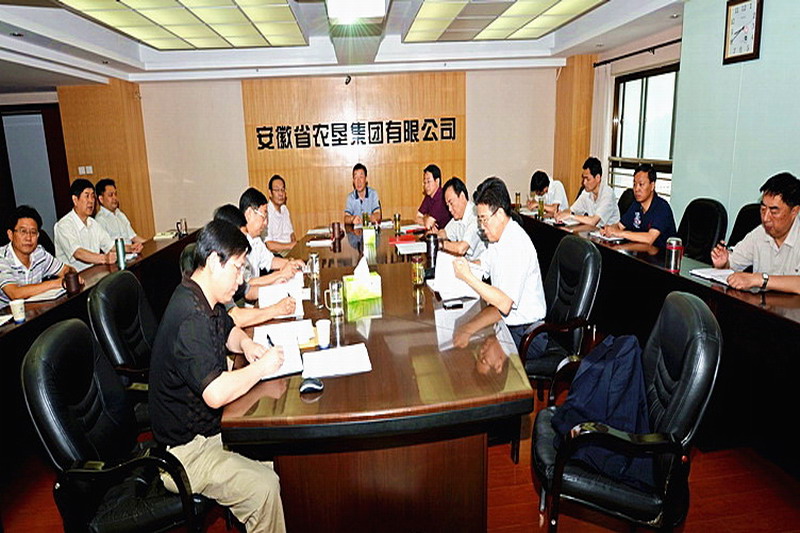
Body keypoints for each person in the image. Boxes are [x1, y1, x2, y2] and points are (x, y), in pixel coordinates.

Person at [149, 220, 286, 532]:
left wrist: (247, 345)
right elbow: (216, 393)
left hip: (207, 433)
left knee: (281, 458)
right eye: (237, 269)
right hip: (185, 454)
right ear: (213, 261)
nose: (240, 280)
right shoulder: (190, 317)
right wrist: (260, 368)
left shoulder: (201, 295)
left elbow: (228, 330)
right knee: (264, 486)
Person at [452, 177, 548, 361]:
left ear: (500, 213)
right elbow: (483, 265)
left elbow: (504, 303)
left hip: (528, 334)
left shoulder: (516, 244)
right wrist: (462, 265)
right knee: (466, 330)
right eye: (479, 220)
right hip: (507, 321)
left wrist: (467, 277)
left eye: (484, 220)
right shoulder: (499, 238)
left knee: (473, 348)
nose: (482, 227)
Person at [711, 172, 800, 294]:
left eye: (774, 212)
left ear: (794, 211)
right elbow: (733, 263)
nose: (766, 218)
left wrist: (760, 279)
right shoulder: (760, 233)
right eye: (763, 209)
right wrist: (724, 263)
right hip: (761, 304)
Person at [212, 204, 296, 327]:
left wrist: (274, 285)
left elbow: (248, 290)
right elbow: (236, 317)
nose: (243, 242)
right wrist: (276, 309)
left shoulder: (230, 264)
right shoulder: (219, 271)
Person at [1, 205, 77, 304]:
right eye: (23, 231)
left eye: (33, 232)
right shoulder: (2, 258)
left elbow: (67, 269)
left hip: (35, 310)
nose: (28, 238)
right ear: (10, 234)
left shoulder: (39, 253)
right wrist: (57, 283)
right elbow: (15, 293)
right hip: (7, 312)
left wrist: (71, 276)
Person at [600, 163, 676, 248]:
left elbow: (649, 238)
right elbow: (619, 226)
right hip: (638, 252)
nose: (636, 189)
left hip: (660, 254)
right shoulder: (636, 205)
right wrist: (609, 229)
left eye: (641, 184)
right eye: (634, 184)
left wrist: (621, 233)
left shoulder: (662, 208)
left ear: (652, 186)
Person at [238, 188, 304, 284]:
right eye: (263, 217)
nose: (266, 223)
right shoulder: (238, 244)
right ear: (249, 214)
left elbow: (270, 261)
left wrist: (292, 263)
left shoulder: (256, 240)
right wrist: (280, 274)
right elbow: (247, 285)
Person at [54, 178, 117, 270]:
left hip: (95, 272)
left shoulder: (93, 223)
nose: (91, 201)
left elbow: (110, 245)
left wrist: (131, 248)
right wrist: (104, 258)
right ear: (75, 200)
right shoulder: (63, 225)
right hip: (75, 276)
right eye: (87, 196)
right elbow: (78, 253)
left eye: (93, 196)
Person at [556, 157, 620, 227]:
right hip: (592, 230)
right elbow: (572, 210)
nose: (584, 183)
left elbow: (593, 221)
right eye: (584, 178)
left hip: (608, 232)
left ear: (598, 178)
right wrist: (561, 214)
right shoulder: (586, 192)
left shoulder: (607, 194)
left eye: (588, 179)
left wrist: (571, 216)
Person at [437, 177, 486, 260]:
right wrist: (440, 237)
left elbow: (461, 249)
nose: (449, 209)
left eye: (451, 203)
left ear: (462, 196)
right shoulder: (458, 217)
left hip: (480, 265)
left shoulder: (475, 215)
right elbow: (443, 232)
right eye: (447, 205)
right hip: (466, 263)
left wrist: (441, 244)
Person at [94, 178, 145, 252]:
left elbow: (133, 237)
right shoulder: (100, 220)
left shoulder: (120, 214)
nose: (115, 198)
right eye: (110, 195)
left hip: (132, 253)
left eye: (115, 194)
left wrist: (151, 243)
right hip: (119, 256)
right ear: (101, 199)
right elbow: (108, 247)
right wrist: (130, 248)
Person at [264, 175, 296, 253]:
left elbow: (291, 234)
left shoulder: (284, 209)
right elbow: (269, 245)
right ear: (270, 193)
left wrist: (294, 248)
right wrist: (290, 246)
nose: (281, 193)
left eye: (282, 190)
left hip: (288, 250)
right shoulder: (266, 212)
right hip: (275, 253)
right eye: (277, 190)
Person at [415, 164, 451, 231]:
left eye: (428, 181)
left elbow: (428, 225)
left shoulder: (441, 197)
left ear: (437, 181)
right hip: (434, 233)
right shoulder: (429, 196)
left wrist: (425, 218)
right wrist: (426, 219)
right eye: (425, 182)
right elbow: (417, 218)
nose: (426, 185)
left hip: (446, 234)